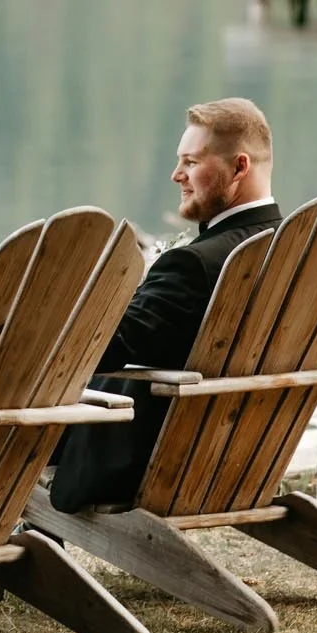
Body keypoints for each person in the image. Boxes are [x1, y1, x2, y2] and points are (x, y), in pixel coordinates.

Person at [48, 98, 281, 513]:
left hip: (147, 465)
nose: (177, 175)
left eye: (191, 162)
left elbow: (101, 351)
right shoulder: (292, 250)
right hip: (244, 457)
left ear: (239, 167)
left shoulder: (195, 264)